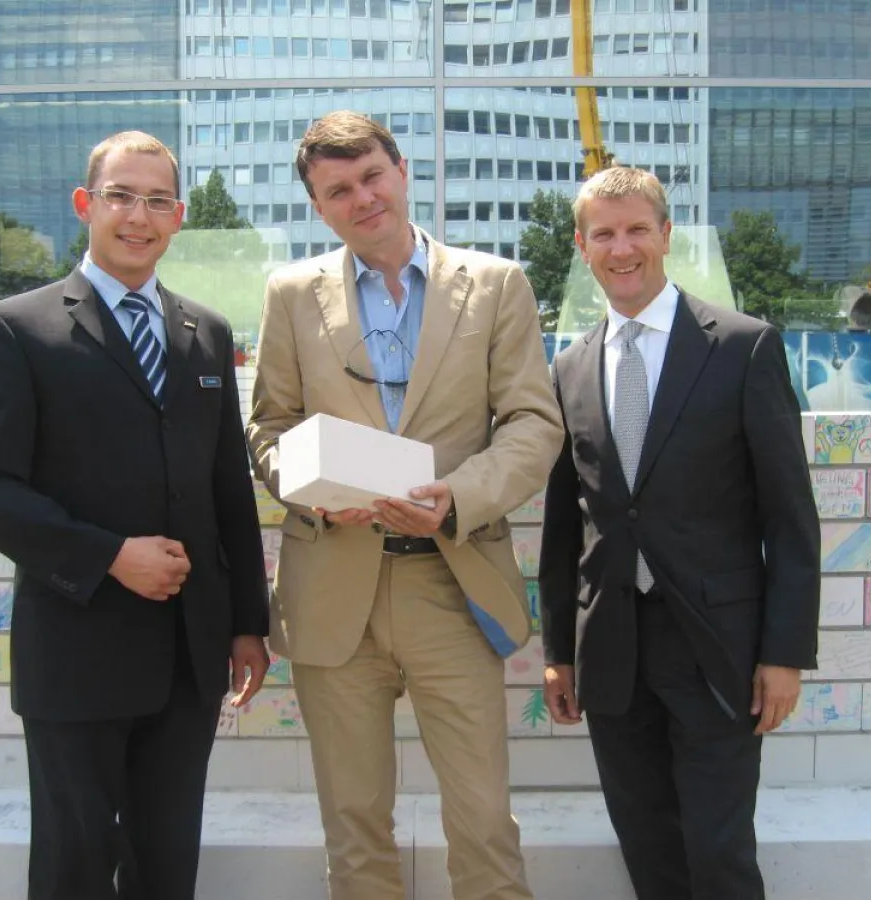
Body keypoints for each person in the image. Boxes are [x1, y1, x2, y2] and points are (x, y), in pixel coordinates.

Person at [246, 110, 562, 900]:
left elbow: (532, 421)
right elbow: (268, 428)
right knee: (354, 825)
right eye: (338, 190)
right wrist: (316, 492)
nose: (361, 198)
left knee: (484, 819)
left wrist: (459, 497)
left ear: (402, 170)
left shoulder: (495, 286)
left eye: (371, 176)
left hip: (450, 583)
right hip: (333, 589)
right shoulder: (290, 294)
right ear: (319, 206)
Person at [0, 131, 270, 900]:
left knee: (167, 866)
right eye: (121, 195)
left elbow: (228, 491)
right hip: (77, 650)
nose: (139, 215)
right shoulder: (17, 329)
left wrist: (247, 622)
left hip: (190, 660)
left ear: (179, 217)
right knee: (75, 864)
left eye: (158, 200)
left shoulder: (206, 334)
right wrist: (108, 555)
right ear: (86, 205)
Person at [538, 165, 820, 900]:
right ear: (583, 245)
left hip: (718, 653)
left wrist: (784, 655)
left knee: (719, 852)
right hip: (612, 653)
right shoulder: (569, 368)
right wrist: (558, 652)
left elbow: (789, 519)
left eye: (637, 229)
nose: (621, 247)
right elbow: (566, 525)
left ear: (665, 236)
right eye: (604, 233)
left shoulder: (742, 348)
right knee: (647, 848)